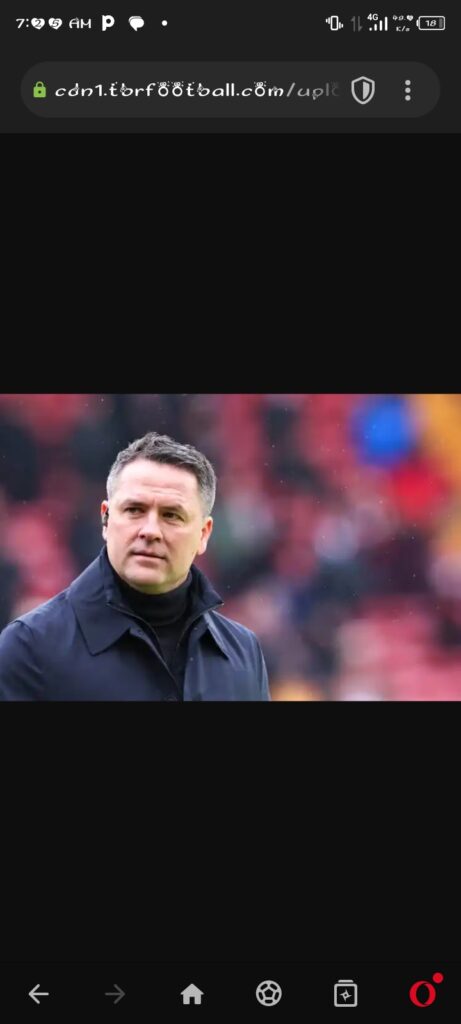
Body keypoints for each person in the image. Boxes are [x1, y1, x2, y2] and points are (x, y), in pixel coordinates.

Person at [0, 433, 270, 701]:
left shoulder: (243, 653)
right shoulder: (30, 648)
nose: (150, 530)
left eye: (171, 515)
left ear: (203, 534)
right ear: (106, 519)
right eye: (134, 510)